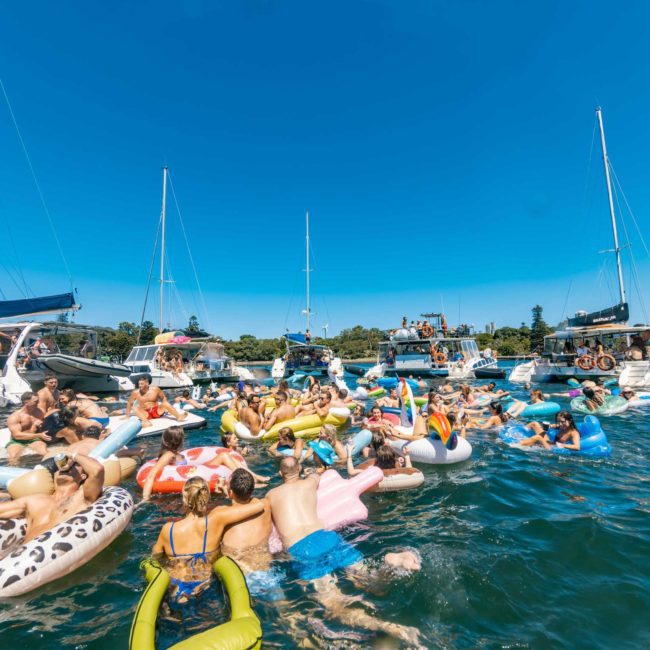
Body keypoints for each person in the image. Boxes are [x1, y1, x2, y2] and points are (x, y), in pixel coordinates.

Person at [266, 457, 422, 646]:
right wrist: (311, 473)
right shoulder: (309, 483)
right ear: (298, 469)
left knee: (335, 606)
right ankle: (391, 562)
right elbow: (317, 475)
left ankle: (391, 628)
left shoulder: (271, 495)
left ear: (279, 473)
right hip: (327, 537)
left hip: (302, 549)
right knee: (370, 581)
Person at [151, 476, 265, 603]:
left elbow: (155, 556)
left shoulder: (168, 530)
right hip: (205, 585)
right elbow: (259, 505)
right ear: (207, 498)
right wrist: (228, 493)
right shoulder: (216, 519)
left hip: (176, 587)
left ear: (184, 498)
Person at [0, 453, 104, 542]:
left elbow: (97, 470)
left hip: (57, 557)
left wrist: (72, 455)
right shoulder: (35, 500)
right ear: (54, 475)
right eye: (60, 466)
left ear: (83, 476)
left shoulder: (82, 497)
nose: (66, 466)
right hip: (23, 555)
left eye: (74, 466)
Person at [221, 469, 278, 598]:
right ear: (252, 489)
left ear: (231, 492)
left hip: (242, 577)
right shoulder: (266, 506)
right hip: (266, 570)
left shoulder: (222, 516)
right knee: (285, 610)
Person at [5, 392, 51, 461]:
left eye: (38, 401)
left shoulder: (39, 412)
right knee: (13, 457)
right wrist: (39, 435)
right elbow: (16, 435)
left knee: (45, 453)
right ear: (26, 402)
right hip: (18, 441)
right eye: (35, 401)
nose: (38, 403)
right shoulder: (15, 416)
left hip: (34, 440)